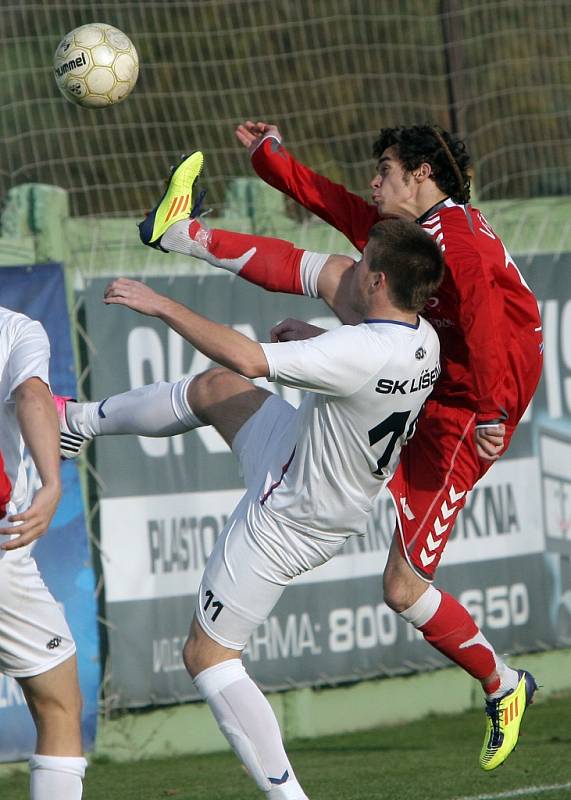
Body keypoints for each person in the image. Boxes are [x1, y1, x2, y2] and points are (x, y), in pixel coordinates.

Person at [58, 122, 542, 772]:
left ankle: (501, 683)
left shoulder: (455, 246)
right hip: (430, 376)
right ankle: (176, 237)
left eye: (386, 168)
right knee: (303, 302)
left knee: (400, 589)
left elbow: (482, 313)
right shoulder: (420, 238)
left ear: (422, 174)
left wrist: (489, 409)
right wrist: (271, 160)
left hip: (463, 408)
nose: (374, 181)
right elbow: (338, 208)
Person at [70, 215, 444, 799]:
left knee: (208, 655)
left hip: (290, 517)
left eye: (363, 261)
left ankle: (287, 796)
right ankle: (79, 421)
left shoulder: (357, 349)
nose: (354, 268)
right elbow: (356, 356)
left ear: (377, 282)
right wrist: (317, 342)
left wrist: (161, 304)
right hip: (309, 463)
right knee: (218, 389)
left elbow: (253, 357)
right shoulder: (424, 339)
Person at [0, 305, 86, 799]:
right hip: (4, 543)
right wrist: (51, 483)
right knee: (58, 705)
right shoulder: (17, 327)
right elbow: (31, 393)